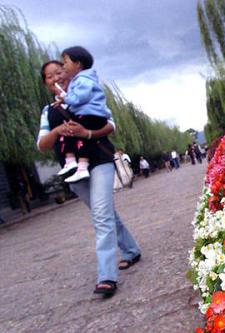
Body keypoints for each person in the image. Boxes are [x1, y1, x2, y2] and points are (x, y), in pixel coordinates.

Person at [37, 60, 141, 297]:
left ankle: (106, 276)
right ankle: (131, 250)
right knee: (103, 212)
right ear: (45, 82)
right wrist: (56, 131)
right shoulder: (48, 111)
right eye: (50, 76)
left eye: (59, 72)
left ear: (69, 72)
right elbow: (42, 145)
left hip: (99, 161)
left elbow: (110, 124)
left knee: (101, 216)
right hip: (72, 169)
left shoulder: (87, 96)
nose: (56, 78)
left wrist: (87, 133)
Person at [54, 46, 111, 184]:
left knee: (80, 138)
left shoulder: (84, 79)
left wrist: (63, 95)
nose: (64, 65)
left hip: (91, 115)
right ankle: (71, 161)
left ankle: (81, 167)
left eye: (66, 62)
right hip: (88, 113)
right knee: (68, 132)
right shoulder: (80, 79)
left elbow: (79, 98)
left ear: (78, 64)